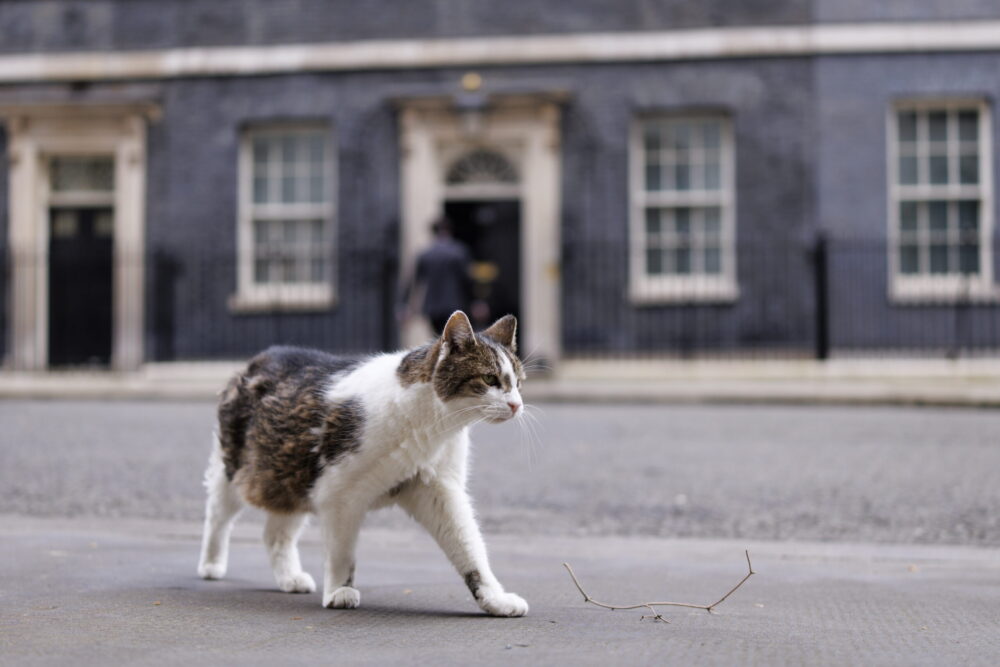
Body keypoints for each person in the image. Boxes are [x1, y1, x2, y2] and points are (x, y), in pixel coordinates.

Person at [403, 218, 475, 334]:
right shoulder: (459, 252)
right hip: (455, 304)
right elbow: (467, 280)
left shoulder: (425, 254)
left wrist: (406, 305)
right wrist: (475, 301)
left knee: (438, 338)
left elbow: (414, 282)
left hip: (432, 307)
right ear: (450, 231)